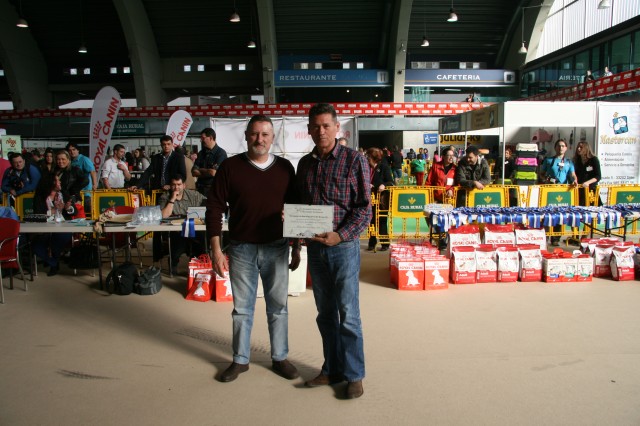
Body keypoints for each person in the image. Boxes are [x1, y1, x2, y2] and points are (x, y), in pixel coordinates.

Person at [206, 114, 301, 383]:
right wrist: (216, 250)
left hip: (277, 247)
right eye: (255, 134)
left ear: (272, 138)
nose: (260, 139)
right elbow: (214, 207)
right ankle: (240, 359)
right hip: (241, 249)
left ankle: (280, 357)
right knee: (242, 309)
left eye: (265, 134)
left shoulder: (285, 168)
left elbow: (296, 210)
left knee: (278, 307)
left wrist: (296, 247)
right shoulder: (230, 167)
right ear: (246, 136)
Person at [296, 103, 371, 400]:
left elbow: (364, 210)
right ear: (309, 130)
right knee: (325, 314)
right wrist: (296, 238)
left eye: (326, 125)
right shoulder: (304, 164)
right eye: (315, 126)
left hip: (344, 248)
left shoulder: (354, 160)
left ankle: (354, 375)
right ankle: (332, 368)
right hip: (316, 249)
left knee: (348, 314)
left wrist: (340, 235)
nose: (321, 131)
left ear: (338, 128)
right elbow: (301, 207)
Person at [32, 174, 79, 276]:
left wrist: (68, 208)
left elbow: (75, 211)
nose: (60, 182)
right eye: (57, 180)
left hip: (63, 227)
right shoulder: (39, 197)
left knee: (59, 238)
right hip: (45, 229)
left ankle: (53, 265)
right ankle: (53, 262)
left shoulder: (64, 194)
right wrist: (52, 210)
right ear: (51, 183)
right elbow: (37, 215)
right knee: (36, 246)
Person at [158, 174, 206, 274]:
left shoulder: (194, 195)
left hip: (195, 229)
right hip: (175, 231)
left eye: (179, 184)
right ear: (170, 186)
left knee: (202, 239)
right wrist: (172, 199)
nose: (176, 187)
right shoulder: (165, 197)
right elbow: (164, 215)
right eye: (173, 184)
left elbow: (207, 203)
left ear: (184, 185)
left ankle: (197, 267)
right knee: (178, 241)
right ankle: (173, 264)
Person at [540, 138, 577, 246]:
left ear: (566, 148)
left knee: (560, 215)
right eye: (559, 146)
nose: (560, 148)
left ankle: (556, 238)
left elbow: (573, 174)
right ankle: (545, 236)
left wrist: (575, 180)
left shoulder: (569, 162)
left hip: (563, 192)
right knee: (547, 214)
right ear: (555, 147)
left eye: (563, 146)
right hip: (550, 191)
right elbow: (541, 173)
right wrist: (545, 179)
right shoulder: (548, 160)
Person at [366, 147, 394, 252]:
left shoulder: (384, 167)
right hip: (369, 199)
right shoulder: (366, 167)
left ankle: (385, 243)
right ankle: (371, 243)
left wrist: (383, 185)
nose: (366, 158)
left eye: (368, 156)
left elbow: (390, 182)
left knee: (382, 221)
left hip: (381, 199)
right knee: (371, 221)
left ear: (373, 157)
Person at [193, 128, 227, 195]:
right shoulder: (201, 153)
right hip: (200, 190)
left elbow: (213, 173)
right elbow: (194, 172)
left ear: (211, 138)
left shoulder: (221, 153)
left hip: (214, 191)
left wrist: (200, 170)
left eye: (203, 138)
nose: (201, 140)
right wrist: (207, 171)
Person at [66, 142, 97, 213]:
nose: (72, 152)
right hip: (74, 193)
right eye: (70, 150)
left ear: (78, 150)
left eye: (74, 149)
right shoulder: (70, 161)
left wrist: (95, 185)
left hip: (85, 192)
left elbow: (92, 172)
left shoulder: (84, 159)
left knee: (88, 212)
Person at [574, 141, 601, 206]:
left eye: (581, 147)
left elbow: (598, 176)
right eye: (578, 147)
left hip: (591, 189)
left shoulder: (594, 159)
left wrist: (588, 182)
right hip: (580, 189)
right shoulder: (577, 161)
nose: (578, 149)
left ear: (586, 148)